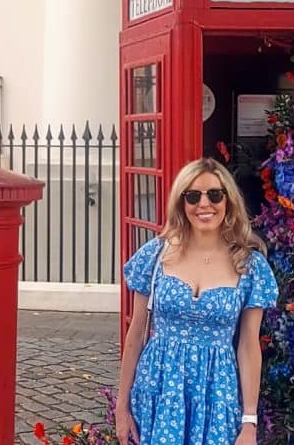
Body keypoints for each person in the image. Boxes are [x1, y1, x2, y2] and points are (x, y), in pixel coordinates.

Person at [115, 158, 278, 445]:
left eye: (215, 194)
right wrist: (121, 405)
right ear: (181, 203)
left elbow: (248, 345)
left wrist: (249, 422)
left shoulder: (249, 265)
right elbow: (137, 332)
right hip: (158, 391)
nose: (205, 204)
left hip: (216, 394)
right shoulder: (155, 256)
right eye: (193, 196)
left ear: (228, 200)